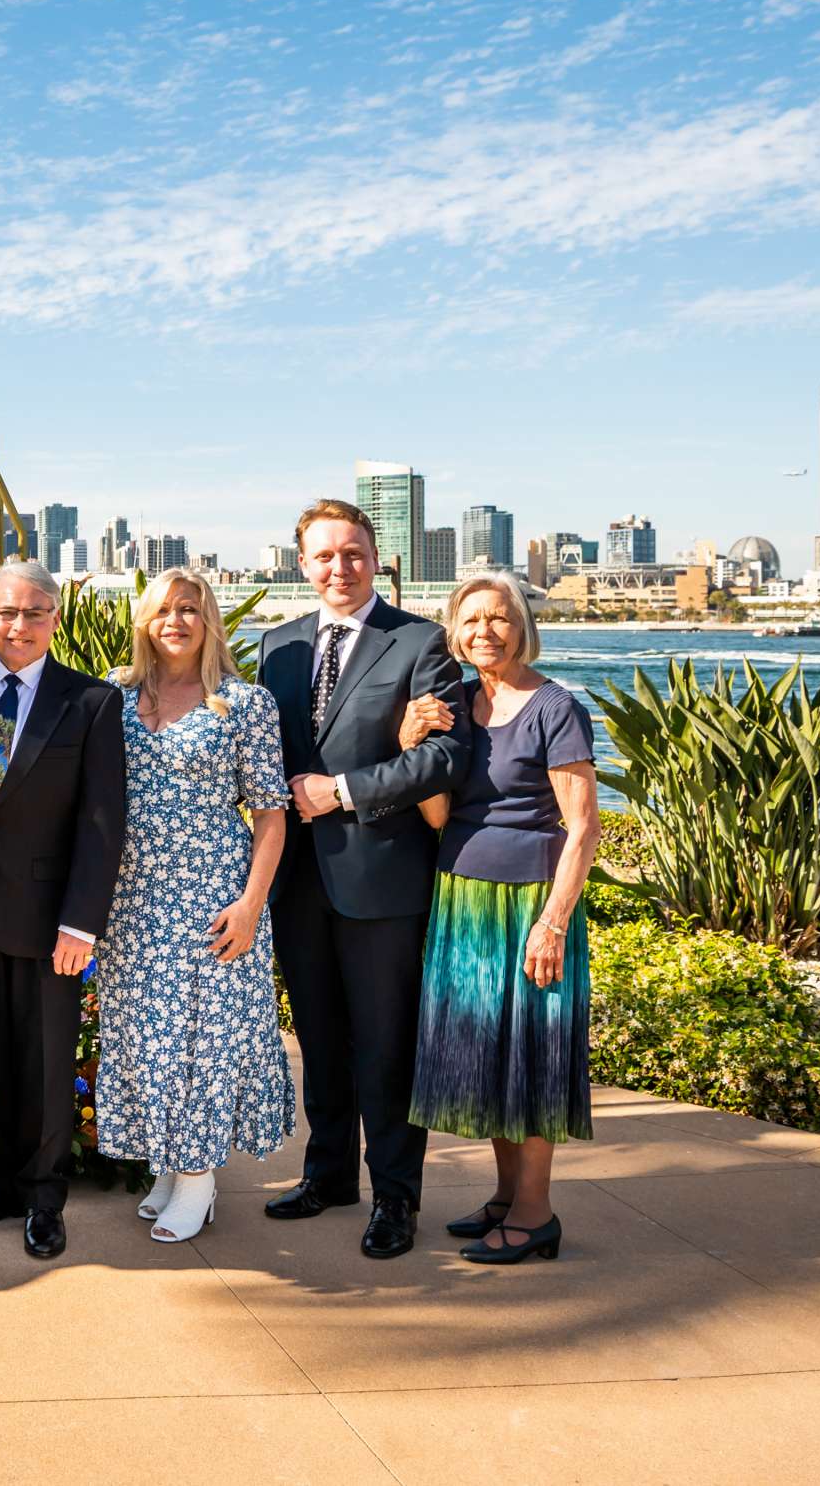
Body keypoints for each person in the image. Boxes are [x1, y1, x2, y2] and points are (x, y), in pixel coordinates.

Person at [259, 499, 468, 1260]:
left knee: (385, 1045)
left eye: (352, 553)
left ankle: (396, 1199)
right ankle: (329, 1176)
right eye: (323, 556)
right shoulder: (278, 647)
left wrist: (340, 791)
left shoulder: (421, 643)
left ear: (375, 559)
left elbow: (444, 759)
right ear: (303, 564)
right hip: (297, 880)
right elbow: (263, 755)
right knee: (317, 1037)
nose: (338, 568)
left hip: (381, 880)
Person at [396, 576, 599, 1265]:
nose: (485, 630)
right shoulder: (458, 705)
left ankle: (537, 1214)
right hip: (464, 898)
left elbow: (584, 829)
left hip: (529, 905)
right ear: (454, 631)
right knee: (492, 1054)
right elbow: (440, 814)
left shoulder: (555, 707)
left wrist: (554, 923)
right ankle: (508, 1196)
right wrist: (409, 745)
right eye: (471, 619)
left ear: (522, 627)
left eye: (499, 618)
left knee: (533, 1057)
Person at [91, 570, 294, 1244]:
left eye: (190, 609)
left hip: (214, 893)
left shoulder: (244, 703)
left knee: (205, 1038)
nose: (176, 620)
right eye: (164, 610)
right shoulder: (116, 697)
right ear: (146, 620)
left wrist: (250, 905)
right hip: (132, 898)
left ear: (209, 621)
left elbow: (270, 816)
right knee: (149, 1035)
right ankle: (171, 1168)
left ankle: (200, 1177)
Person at [0, 560, 127, 1260]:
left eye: (34, 612)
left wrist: (82, 922)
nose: (17, 626)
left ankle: (45, 1200)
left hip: (51, 919)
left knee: (48, 1065)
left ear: (54, 617)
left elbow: (102, 820)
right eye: (4, 612)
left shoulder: (91, 701)